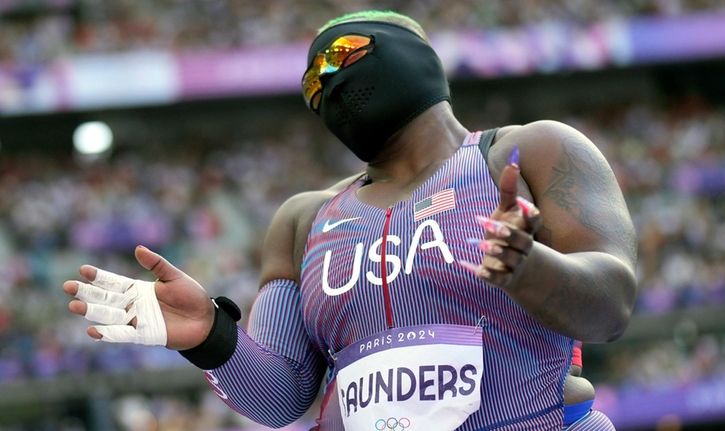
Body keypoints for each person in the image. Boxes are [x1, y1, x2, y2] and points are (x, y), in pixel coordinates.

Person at [62, 10, 637, 431]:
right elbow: (281, 398)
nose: (326, 83)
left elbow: (611, 306)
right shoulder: (304, 218)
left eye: (341, 56)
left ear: (414, 57)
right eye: (311, 84)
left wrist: (530, 268)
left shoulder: (528, 152)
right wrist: (211, 338)